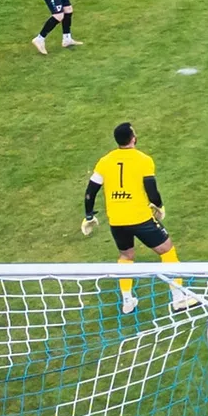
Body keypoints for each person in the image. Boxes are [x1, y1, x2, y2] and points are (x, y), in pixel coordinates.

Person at [82, 122, 191, 315]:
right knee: (167, 250)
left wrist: (89, 215)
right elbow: (151, 189)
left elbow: (91, 191)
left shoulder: (105, 161)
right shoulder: (143, 160)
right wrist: (159, 206)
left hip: (117, 221)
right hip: (140, 218)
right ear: (133, 138)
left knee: (126, 256)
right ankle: (178, 300)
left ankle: (127, 301)